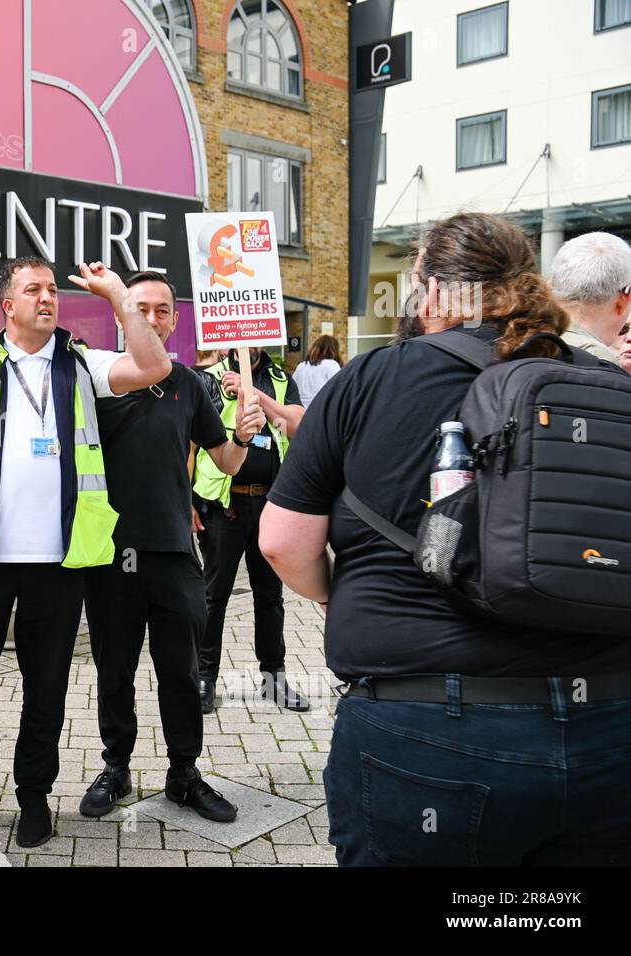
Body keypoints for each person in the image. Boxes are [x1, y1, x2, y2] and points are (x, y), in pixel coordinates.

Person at [261, 211, 631, 866]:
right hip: (608, 727)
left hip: (429, 731)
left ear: (429, 292)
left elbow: (283, 543)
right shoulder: (605, 383)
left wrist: (332, 596)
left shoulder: (374, 378)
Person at [0, 256, 170, 849]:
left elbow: (154, 364)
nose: (48, 297)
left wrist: (115, 296)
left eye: (53, 289)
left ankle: (33, 796)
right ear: (8, 305)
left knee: (46, 687)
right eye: (34, 289)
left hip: (59, 563)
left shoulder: (81, 363)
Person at [80, 271, 265, 822]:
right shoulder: (95, 379)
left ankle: (184, 773)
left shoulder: (189, 383)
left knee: (180, 673)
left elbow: (225, 464)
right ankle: (116, 768)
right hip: (109, 555)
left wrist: (242, 437)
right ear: (122, 314)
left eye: (163, 310)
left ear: (176, 319)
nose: (154, 318)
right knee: (114, 670)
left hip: (175, 554)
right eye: (143, 308)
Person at [192, 346, 307, 715]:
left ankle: (274, 677)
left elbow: (297, 424)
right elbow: (190, 443)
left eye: (256, 335)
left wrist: (255, 396)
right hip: (224, 508)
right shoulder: (209, 380)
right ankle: (204, 678)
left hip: (272, 504)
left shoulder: (279, 380)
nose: (249, 342)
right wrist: (186, 500)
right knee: (214, 597)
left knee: (270, 596)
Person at [550, 232, 631, 368]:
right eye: (626, 329)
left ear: (551, 285)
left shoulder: (516, 341)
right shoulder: (598, 361)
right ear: (624, 299)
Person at [292, 334, 344, 408]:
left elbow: (292, 387)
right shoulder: (331, 364)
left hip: (301, 411)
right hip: (321, 411)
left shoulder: (301, 366)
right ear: (334, 349)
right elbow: (340, 390)